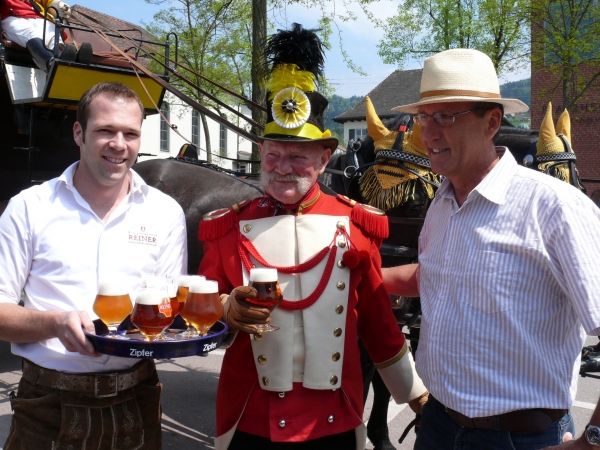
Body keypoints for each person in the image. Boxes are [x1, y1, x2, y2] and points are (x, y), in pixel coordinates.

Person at [198, 24, 428, 450]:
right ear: (261, 154)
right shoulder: (227, 228)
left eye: (298, 156)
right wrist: (225, 309)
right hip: (251, 420)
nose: (283, 167)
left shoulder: (357, 225)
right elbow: (199, 312)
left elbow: (377, 322)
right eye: (273, 154)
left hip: (335, 421)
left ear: (324, 159)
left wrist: (415, 394)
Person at [384, 48, 600, 449]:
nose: (427, 134)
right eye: (424, 118)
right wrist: (359, 275)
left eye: (445, 117)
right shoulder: (442, 202)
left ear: (492, 123)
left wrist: (593, 440)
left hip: (522, 438)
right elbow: (437, 275)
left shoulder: (554, 207)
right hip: (437, 424)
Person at [0, 81, 187, 449]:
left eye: (130, 133)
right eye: (105, 130)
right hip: (46, 402)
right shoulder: (29, 207)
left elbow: (169, 309)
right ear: (78, 133)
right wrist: (54, 323)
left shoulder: (166, 213)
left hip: (137, 398)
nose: (119, 144)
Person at [0, 0, 92, 72]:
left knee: (52, 35)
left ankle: (70, 59)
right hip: (11, 17)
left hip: (37, 16)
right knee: (30, 33)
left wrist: (58, 5)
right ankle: (51, 64)